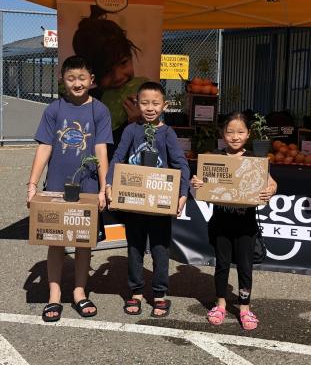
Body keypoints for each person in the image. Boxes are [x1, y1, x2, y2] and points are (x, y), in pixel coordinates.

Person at [26, 55, 112, 322]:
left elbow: (100, 149)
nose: (77, 83)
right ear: (61, 80)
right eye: (71, 78)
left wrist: (103, 187)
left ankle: (79, 291)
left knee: (83, 242)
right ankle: (54, 295)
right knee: (56, 241)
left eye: (82, 78)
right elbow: (44, 147)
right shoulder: (53, 110)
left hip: (87, 185)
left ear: (92, 81)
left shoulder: (99, 111)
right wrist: (32, 185)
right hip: (55, 186)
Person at [105, 81, 190, 318]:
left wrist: (183, 193)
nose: (150, 108)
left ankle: (160, 294)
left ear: (164, 105)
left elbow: (180, 164)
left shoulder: (168, 133)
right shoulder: (131, 130)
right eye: (144, 103)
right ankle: (136, 292)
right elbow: (118, 158)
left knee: (160, 250)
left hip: (160, 205)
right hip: (133, 204)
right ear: (136, 104)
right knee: (134, 249)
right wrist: (110, 183)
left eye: (155, 103)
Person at [191, 112, 277, 331]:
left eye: (240, 132)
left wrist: (270, 190)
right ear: (222, 134)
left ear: (248, 134)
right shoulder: (215, 158)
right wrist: (197, 183)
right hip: (220, 222)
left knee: (245, 267)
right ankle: (220, 304)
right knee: (221, 264)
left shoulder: (254, 160)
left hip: (246, 224)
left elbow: (271, 182)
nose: (235, 136)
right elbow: (200, 187)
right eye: (230, 132)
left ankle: (244, 308)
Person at [72, 5, 146, 153]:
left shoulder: (147, 100)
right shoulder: (85, 109)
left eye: (123, 63)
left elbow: (153, 160)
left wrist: (143, 126)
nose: (118, 76)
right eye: (107, 71)